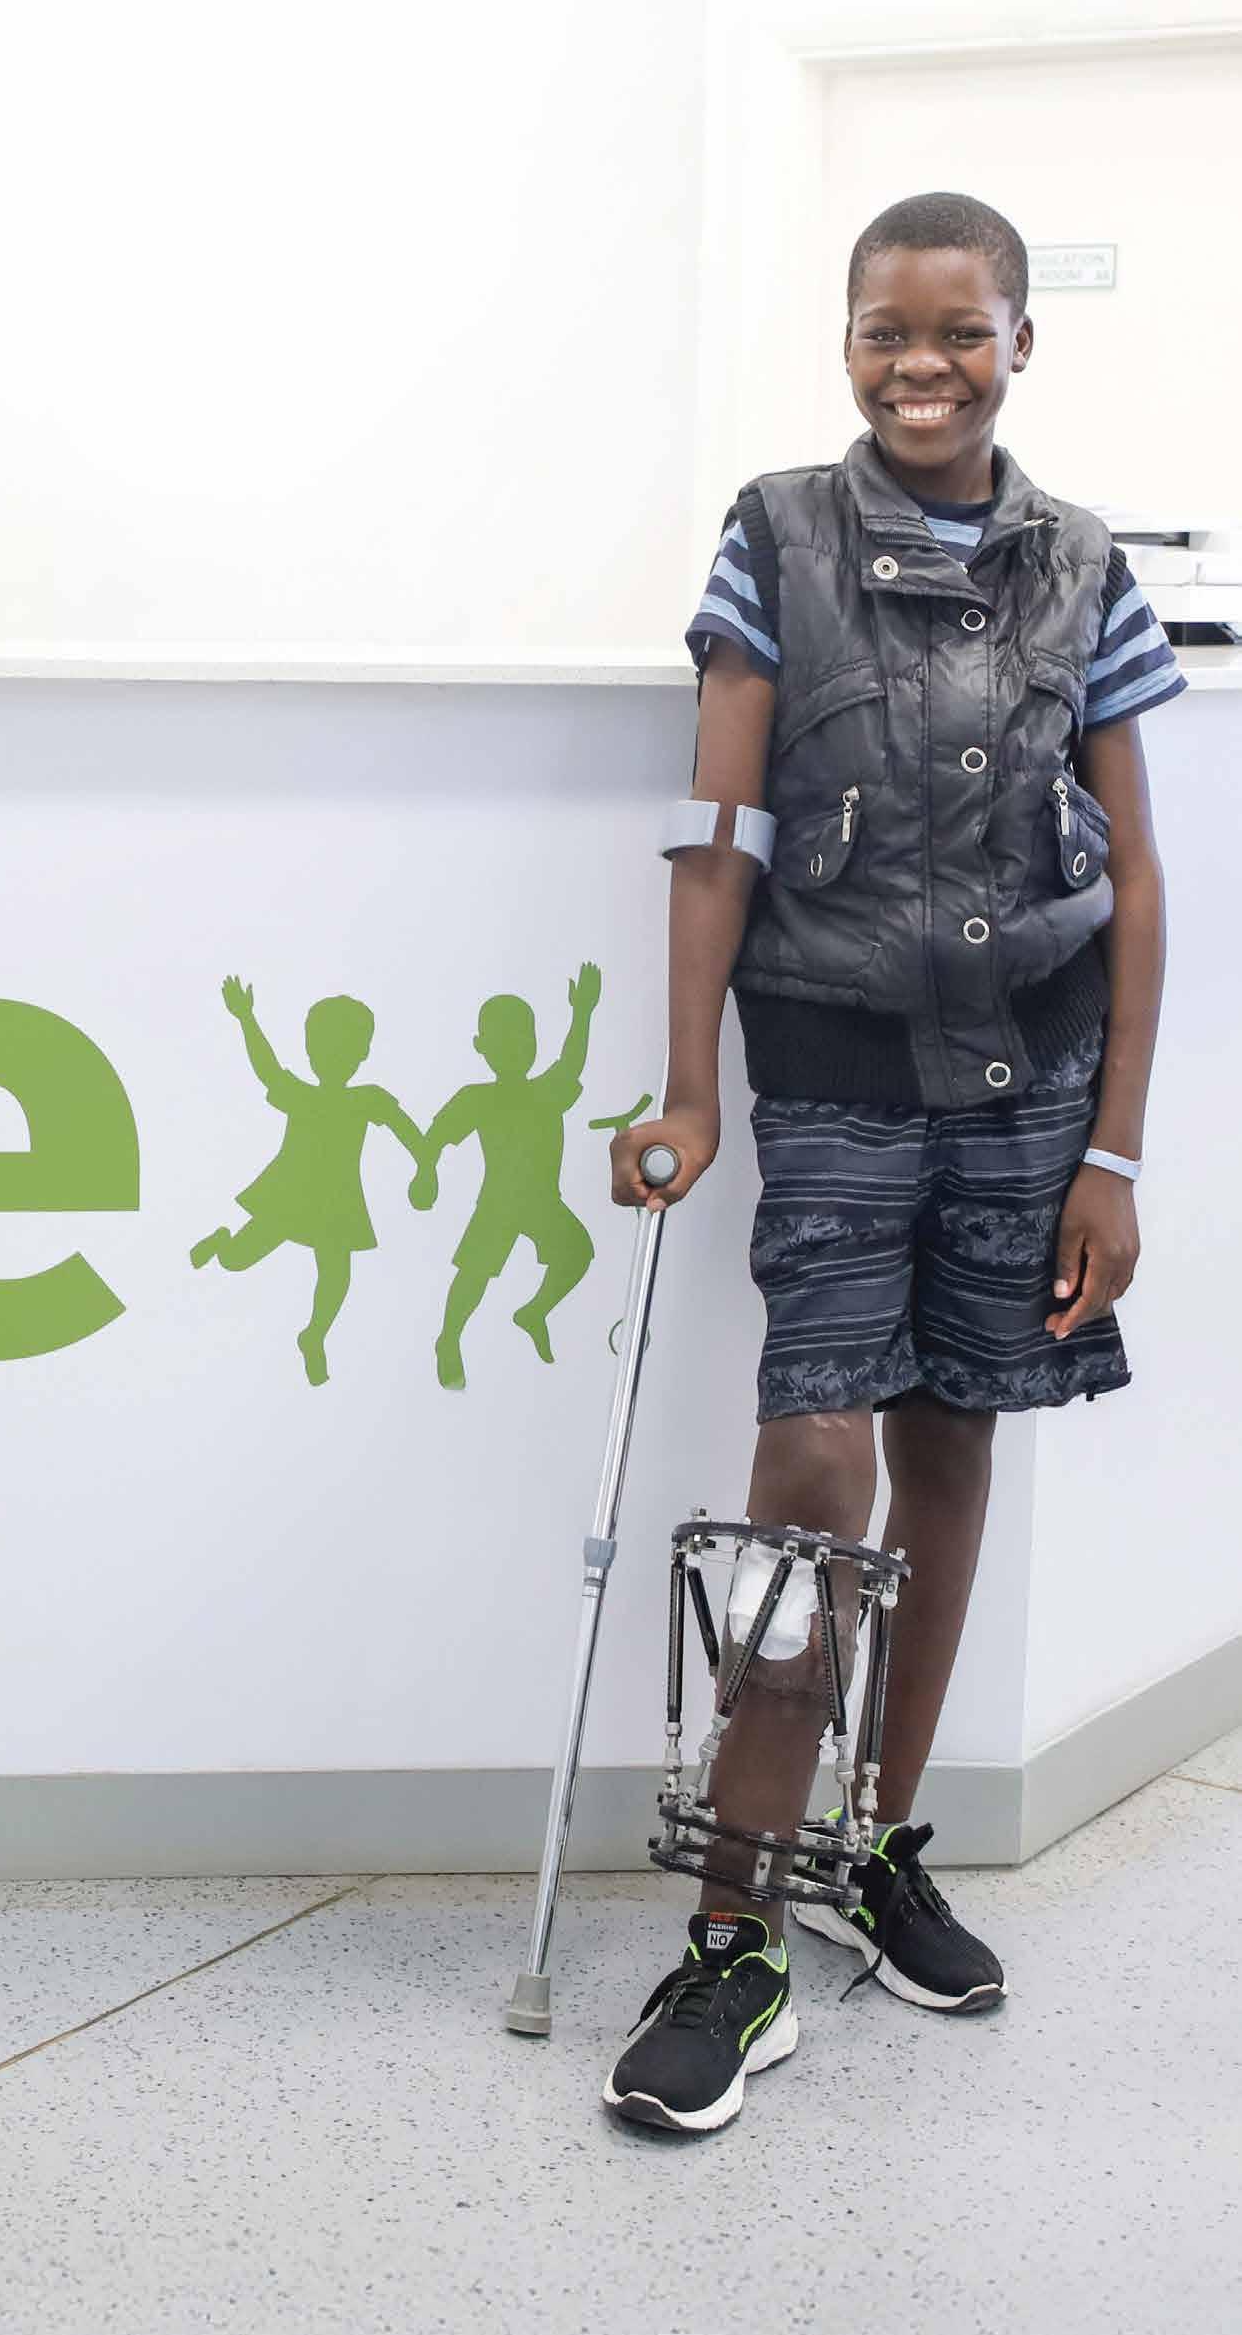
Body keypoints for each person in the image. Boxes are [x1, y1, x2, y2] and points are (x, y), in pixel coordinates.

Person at [601, 189, 1186, 2137]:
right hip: (837, 1071)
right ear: (844, 340)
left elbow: (1134, 872)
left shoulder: (1085, 565)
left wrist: (1112, 1148)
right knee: (809, 1464)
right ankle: (734, 1930)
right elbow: (720, 835)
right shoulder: (773, 535)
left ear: (1019, 339)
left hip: (1028, 1084)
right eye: (883, 330)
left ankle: (870, 1845)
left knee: (951, 1447)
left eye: (956, 330)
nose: (918, 364)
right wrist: (687, 1087)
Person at [191, 978, 428, 1383]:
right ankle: (221, 1241)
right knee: (235, 1260)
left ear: (362, 1053)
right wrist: (246, 1018)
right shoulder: (302, 1095)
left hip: (336, 1202)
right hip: (290, 1196)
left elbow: (406, 1129)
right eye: (323, 1046)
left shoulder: (367, 1099)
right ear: (309, 1049)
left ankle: (314, 1335)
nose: (334, 1057)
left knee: (337, 1276)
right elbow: (267, 1070)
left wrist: (425, 1164)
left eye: (345, 1048)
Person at [409, 965, 602, 1387]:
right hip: (498, 1203)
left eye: (524, 1039)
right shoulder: (477, 1098)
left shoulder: (546, 1091)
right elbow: (435, 1136)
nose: (517, 1049)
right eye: (503, 1040)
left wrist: (582, 1013)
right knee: (474, 1275)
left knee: (576, 1252)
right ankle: (449, 1338)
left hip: (543, 1201)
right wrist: (426, 1172)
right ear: (482, 1047)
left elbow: (571, 1062)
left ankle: (534, 1311)